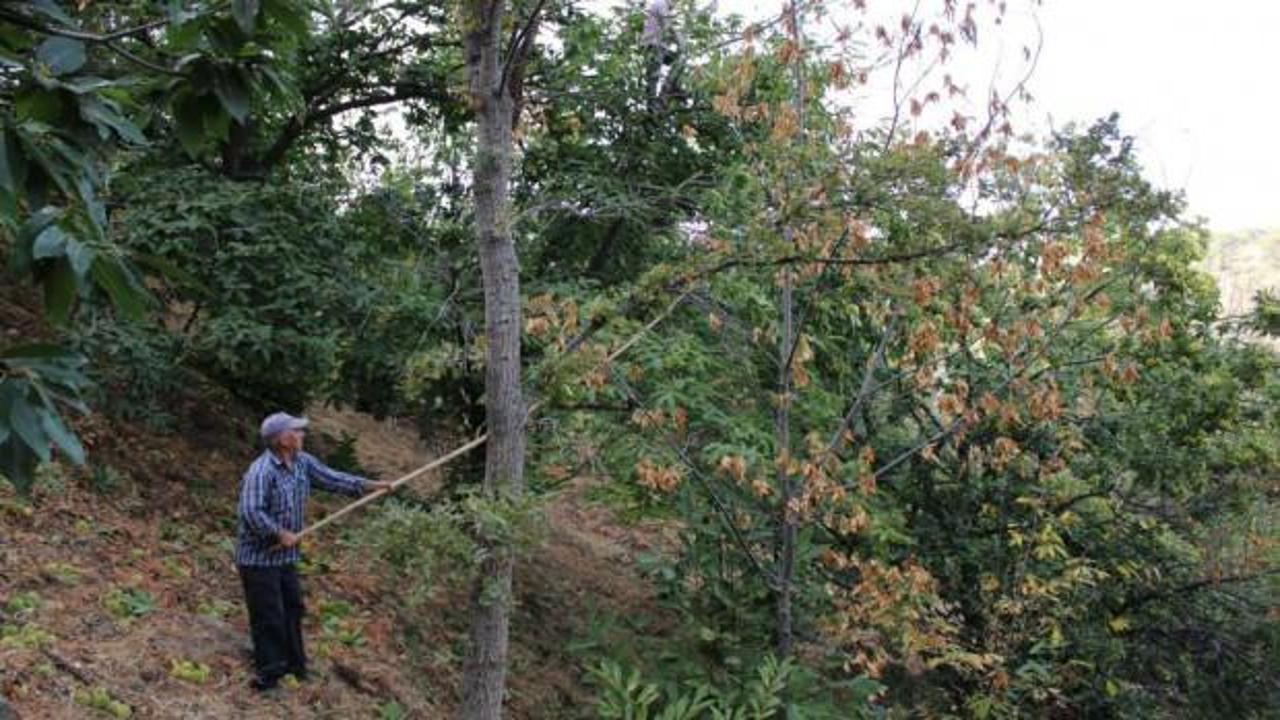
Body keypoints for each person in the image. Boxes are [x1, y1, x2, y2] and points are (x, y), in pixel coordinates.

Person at [234, 412, 394, 691]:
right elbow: (250, 511)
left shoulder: (302, 463)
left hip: (285, 557)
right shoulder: (261, 471)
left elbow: (333, 478)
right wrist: (278, 532)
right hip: (259, 559)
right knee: (268, 615)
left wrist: (368, 486)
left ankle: (295, 666)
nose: (303, 435)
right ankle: (269, 676)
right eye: (297, 431)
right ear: (283, 439)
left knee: (293, 608)